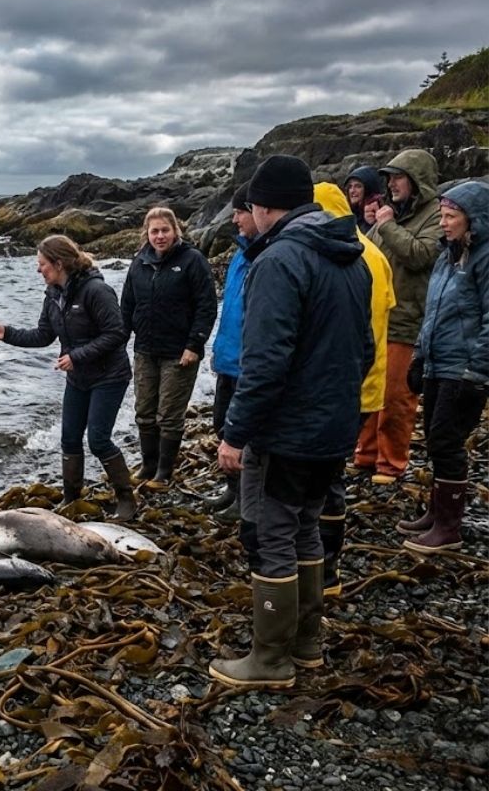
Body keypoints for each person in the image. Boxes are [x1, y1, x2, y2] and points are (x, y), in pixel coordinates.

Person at [210, 155, 373, 690]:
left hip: (287, 431)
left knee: (270, 534)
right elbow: (364, 348)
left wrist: (235, 433)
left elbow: (265, 362)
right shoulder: (350, 255)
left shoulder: (279, 261)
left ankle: (269, 659)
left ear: (262, 206)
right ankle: (306, 645)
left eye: (247, 209)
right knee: (306, 528)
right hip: (333, 425)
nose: (243, 220)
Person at [0, 234, 137, 521]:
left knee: (99, 440)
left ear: (59, 263)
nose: (38, 269)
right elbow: (43, 335)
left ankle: (126, 498)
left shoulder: (95, 291)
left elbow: (116, 334)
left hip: (109, 376)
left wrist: (77, 356)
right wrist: (7, 335)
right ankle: (71, 498)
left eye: (42, 264)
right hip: (79, 378)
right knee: (69, 439)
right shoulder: (53, 294)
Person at [313, 182, 396, 595]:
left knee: (324, 482)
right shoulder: (374, 255)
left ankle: (325, 569)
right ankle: (327, 566)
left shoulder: (349, 257)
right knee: (331, 476)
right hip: (368, 379)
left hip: (347, 384)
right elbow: (387, 311)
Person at [397, 181, 489, 552]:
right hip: (438, 363)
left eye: (451, 217)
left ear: (474, 220)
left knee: (446, 442)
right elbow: (432, 311)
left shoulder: (484, 257)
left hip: (464, 369)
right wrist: (420, 355)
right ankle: (437, 512)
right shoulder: (447, 255)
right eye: (442, 215)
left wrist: (477, 371)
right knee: (435, 441)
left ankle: (448, 529)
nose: (444, 223)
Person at [357, 149, 442, 484]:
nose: (391, 183)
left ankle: (391, 463)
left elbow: (421, 254)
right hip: (377, 318)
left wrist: (387, 224)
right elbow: (366, 250)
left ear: (417, 180)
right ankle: (365, 455)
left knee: (396, 397)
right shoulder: (389, 214)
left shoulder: (434, 214)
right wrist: (376, 224)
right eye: (389, 178)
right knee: (370, 390)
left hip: (408, 322)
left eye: (398, 177)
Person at [121, 208, 217, 484]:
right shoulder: (139, 262)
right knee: (144, 411)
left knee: (169, 415)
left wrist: (194, 344)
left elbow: (206, 306)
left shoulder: (192, 260)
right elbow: (127, 306)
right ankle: (148, 466)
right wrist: (119, 340)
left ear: (176, 231)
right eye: (154, 231)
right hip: (145, 349)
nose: (160, 236)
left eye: (165, 230)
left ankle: (164, 472)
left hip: (180, 351)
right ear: (147, 234)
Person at [205, 183, 257, 525]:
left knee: (245, 435)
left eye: (239, 212)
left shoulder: (266, 256)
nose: (234, 218)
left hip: (248, 363)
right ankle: (232, 489)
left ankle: (247, 499)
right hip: (228, 358)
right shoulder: (241, 253)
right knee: (222, 425)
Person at [343, 166, 385, 234]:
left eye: (358, 186)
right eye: (350, 187)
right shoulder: (348, 213)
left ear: (368, 188)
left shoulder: (379, 210)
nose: (352, 191)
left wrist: (371, 224)